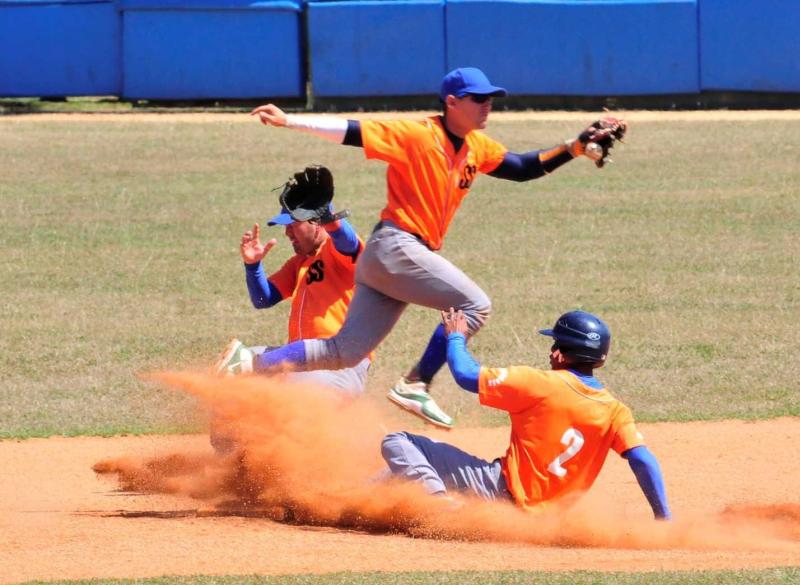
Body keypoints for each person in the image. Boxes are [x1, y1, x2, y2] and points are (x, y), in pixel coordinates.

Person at [237, 66, 627, 430]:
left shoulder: (476, 146)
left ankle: (252, 364)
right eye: (478, 98)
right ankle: (416, 382)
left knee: (344, 351)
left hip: (388, 260)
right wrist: (290, 120)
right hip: (397, 245)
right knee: (476, 305)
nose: (487, 104)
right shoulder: (419, 134)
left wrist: (574, 147)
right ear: (452, 103)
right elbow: (353, 130)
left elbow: (523, 168)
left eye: (490, 98)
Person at [381, 309, 671, 519]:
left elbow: (465, 374)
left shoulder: (540, 384)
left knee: (397, 442)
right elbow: (643, 459)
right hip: (544, 521)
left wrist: (455, 338)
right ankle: (349, 503)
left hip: (498, 490)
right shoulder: (615, 411)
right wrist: (663, 518)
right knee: (389, 477)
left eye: (554, 343)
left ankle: (439, 509)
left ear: (559, 353)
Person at [215, 165, 371, 397]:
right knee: (231, 374)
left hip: (340, 365)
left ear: (316, 222)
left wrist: (330, 217)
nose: (287, 232)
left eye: (293, 225)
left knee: (290, 385)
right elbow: (263, 299)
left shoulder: (339, 252)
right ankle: (234, 434)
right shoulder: (299, 263)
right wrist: (253, 265)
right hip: (300, 359)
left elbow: (349, 243)